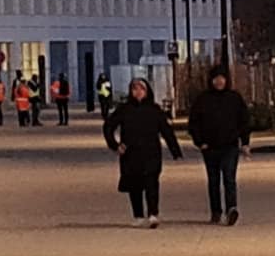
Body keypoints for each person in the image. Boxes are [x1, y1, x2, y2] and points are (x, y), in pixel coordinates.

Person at [104, 77, 181, 227]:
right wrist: (115, 145)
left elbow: (166, 131)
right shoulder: (124, 109)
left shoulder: (154, 110)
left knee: (152, 183)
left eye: (141, 89)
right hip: (130, 154)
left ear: (147, 91)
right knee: (135, 185)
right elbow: (108, 127)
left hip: (151, 153)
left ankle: (153, 213)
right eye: (135, 89)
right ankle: (138, 215)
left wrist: (175, 151)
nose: (138, 92)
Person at [187, 67, 252, 225]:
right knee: (213, 180)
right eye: (216, 78)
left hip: (230, 146)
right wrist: (199, 141)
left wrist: (245, 142)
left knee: (229, 178)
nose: (219, 81)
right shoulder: (203, 99)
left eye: (222, 78)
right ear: (211, 80)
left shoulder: (234, 98)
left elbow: (244, 121)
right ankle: (216, 211)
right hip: (209, 147)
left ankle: (232, 208)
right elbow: (193, 123)